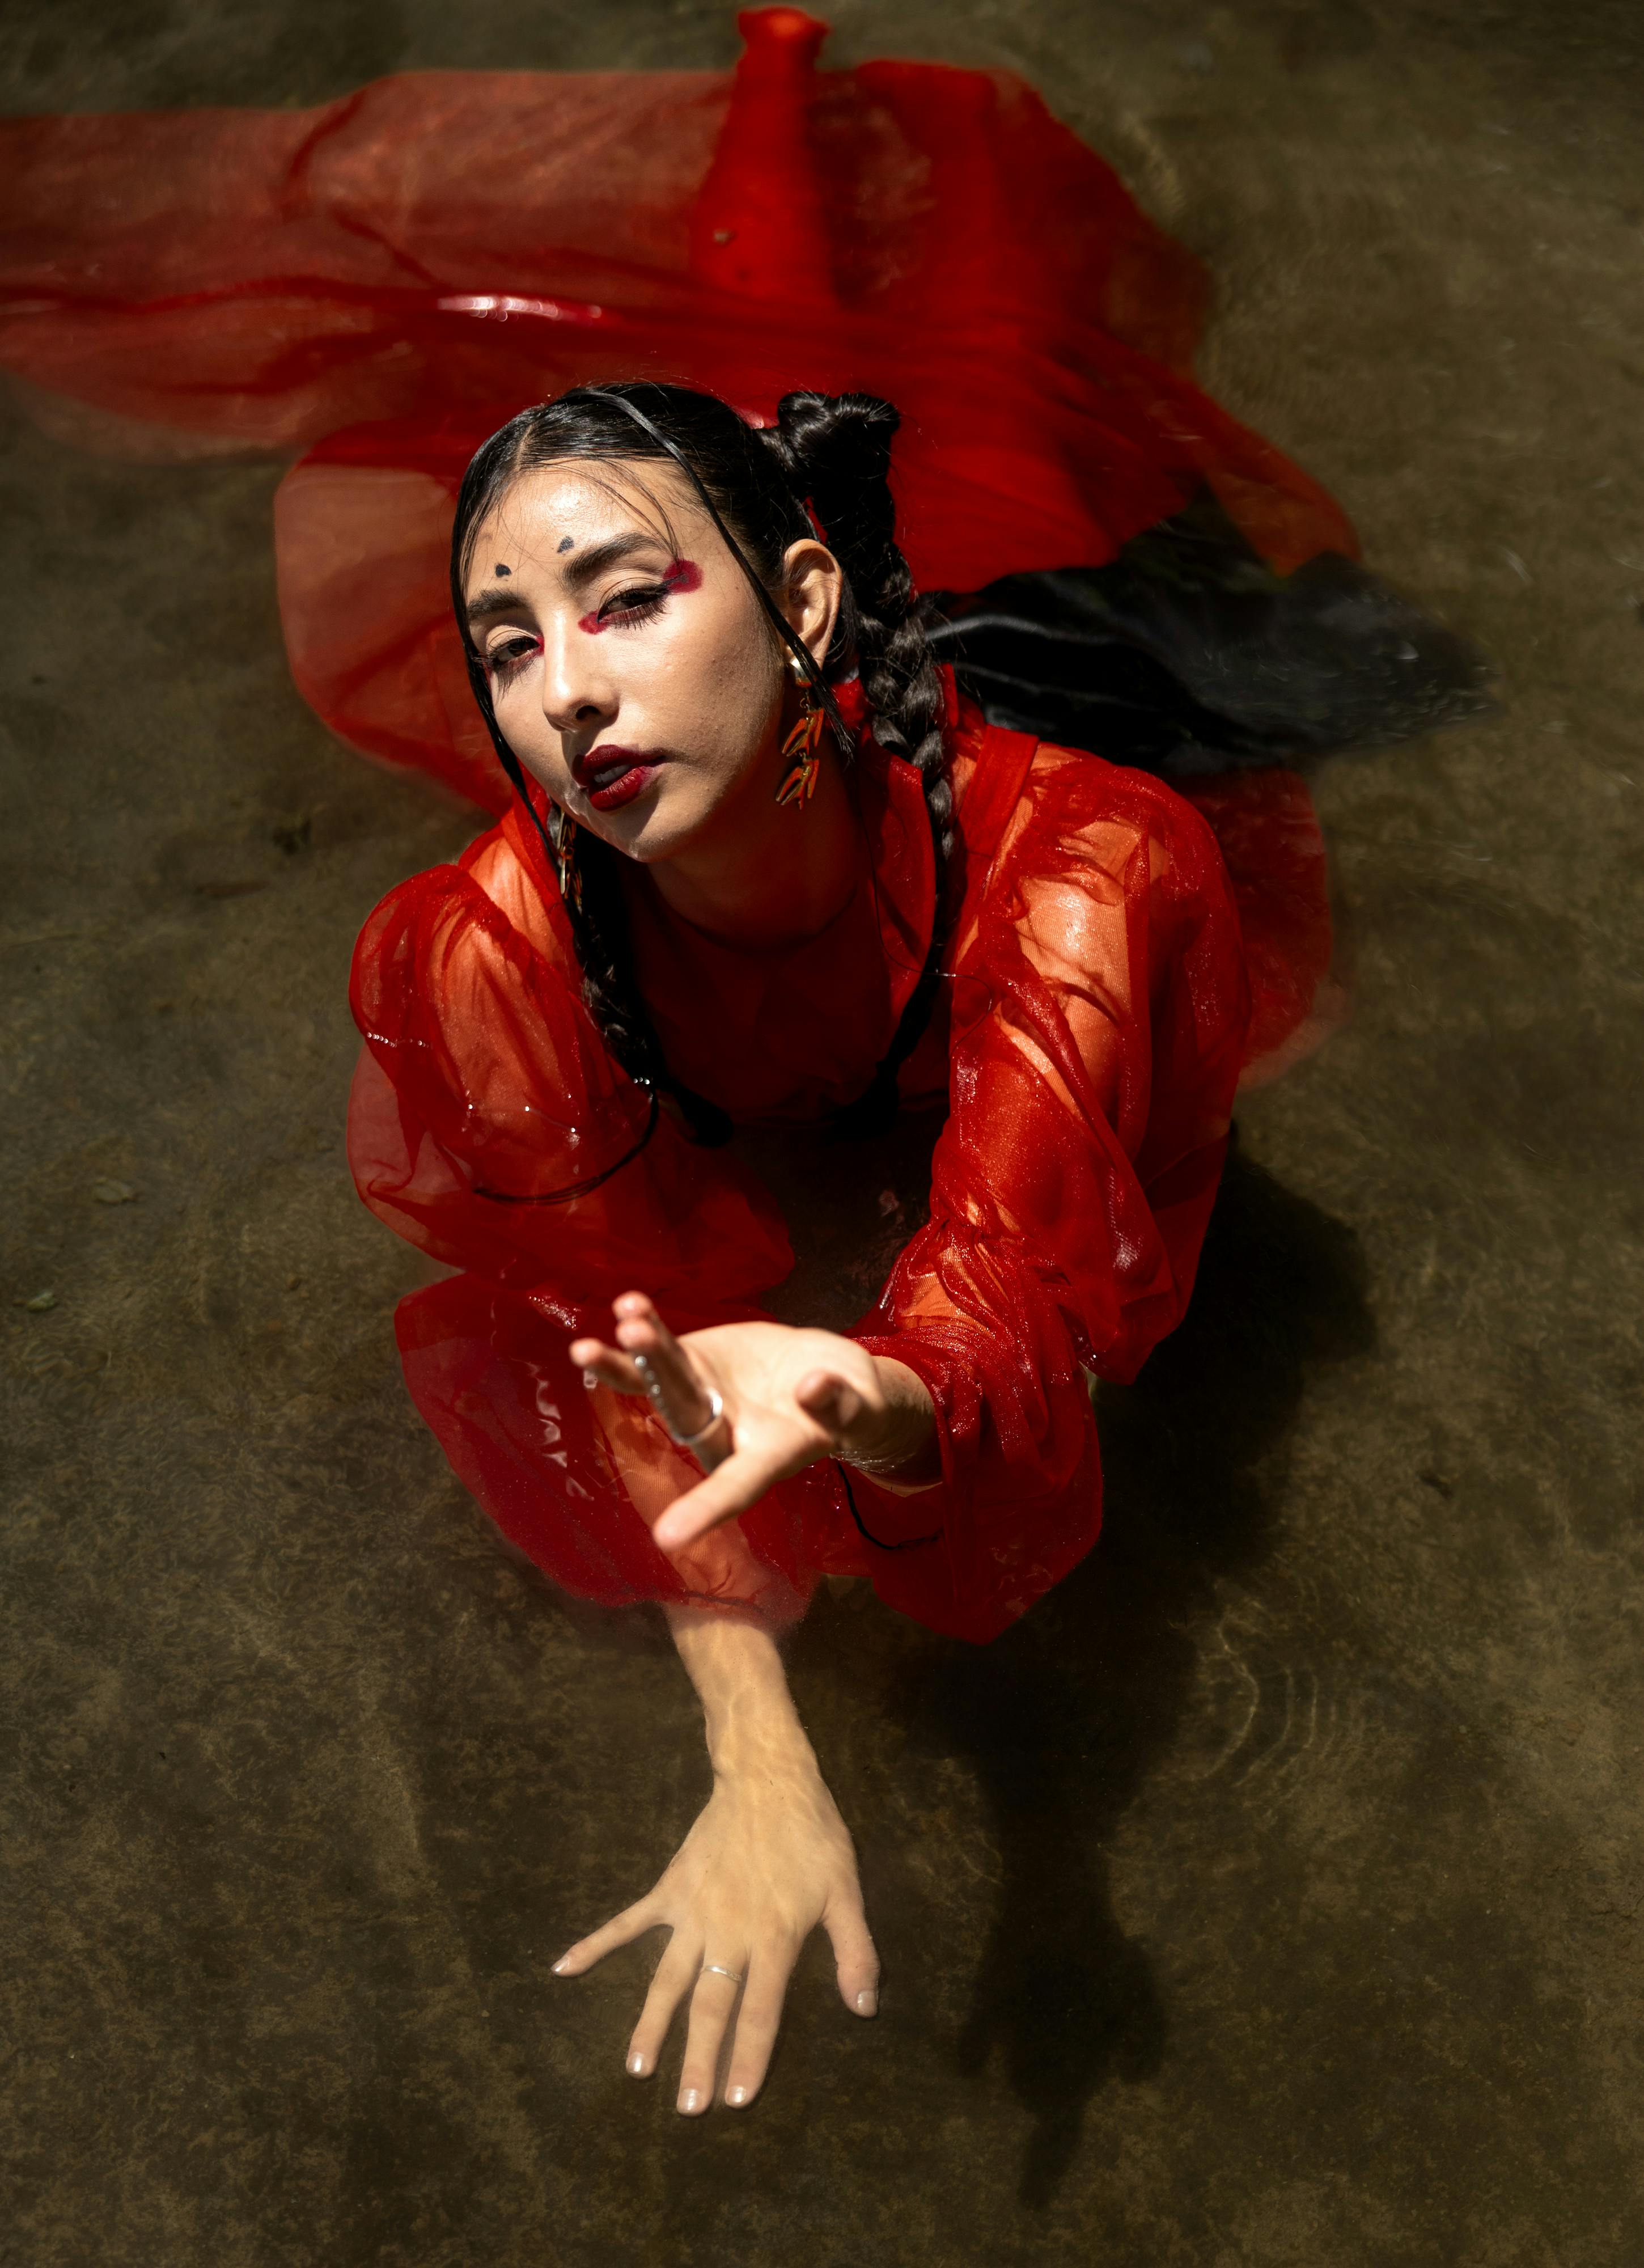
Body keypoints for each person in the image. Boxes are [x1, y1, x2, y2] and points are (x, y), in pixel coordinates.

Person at [0, 5, 1488, 2116]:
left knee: (1006, 349)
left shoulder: (1075, 870)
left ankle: (902, 120)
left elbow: (1020, 1289)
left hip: (1023, 635)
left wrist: (884, 1395)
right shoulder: (484, 942)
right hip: (807, 775)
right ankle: (777, 65)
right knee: (738, 316)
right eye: (512, 644)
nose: (571, 696)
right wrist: (756, 1747)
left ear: (795, 597)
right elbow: (614, 1341)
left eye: (624, 602)